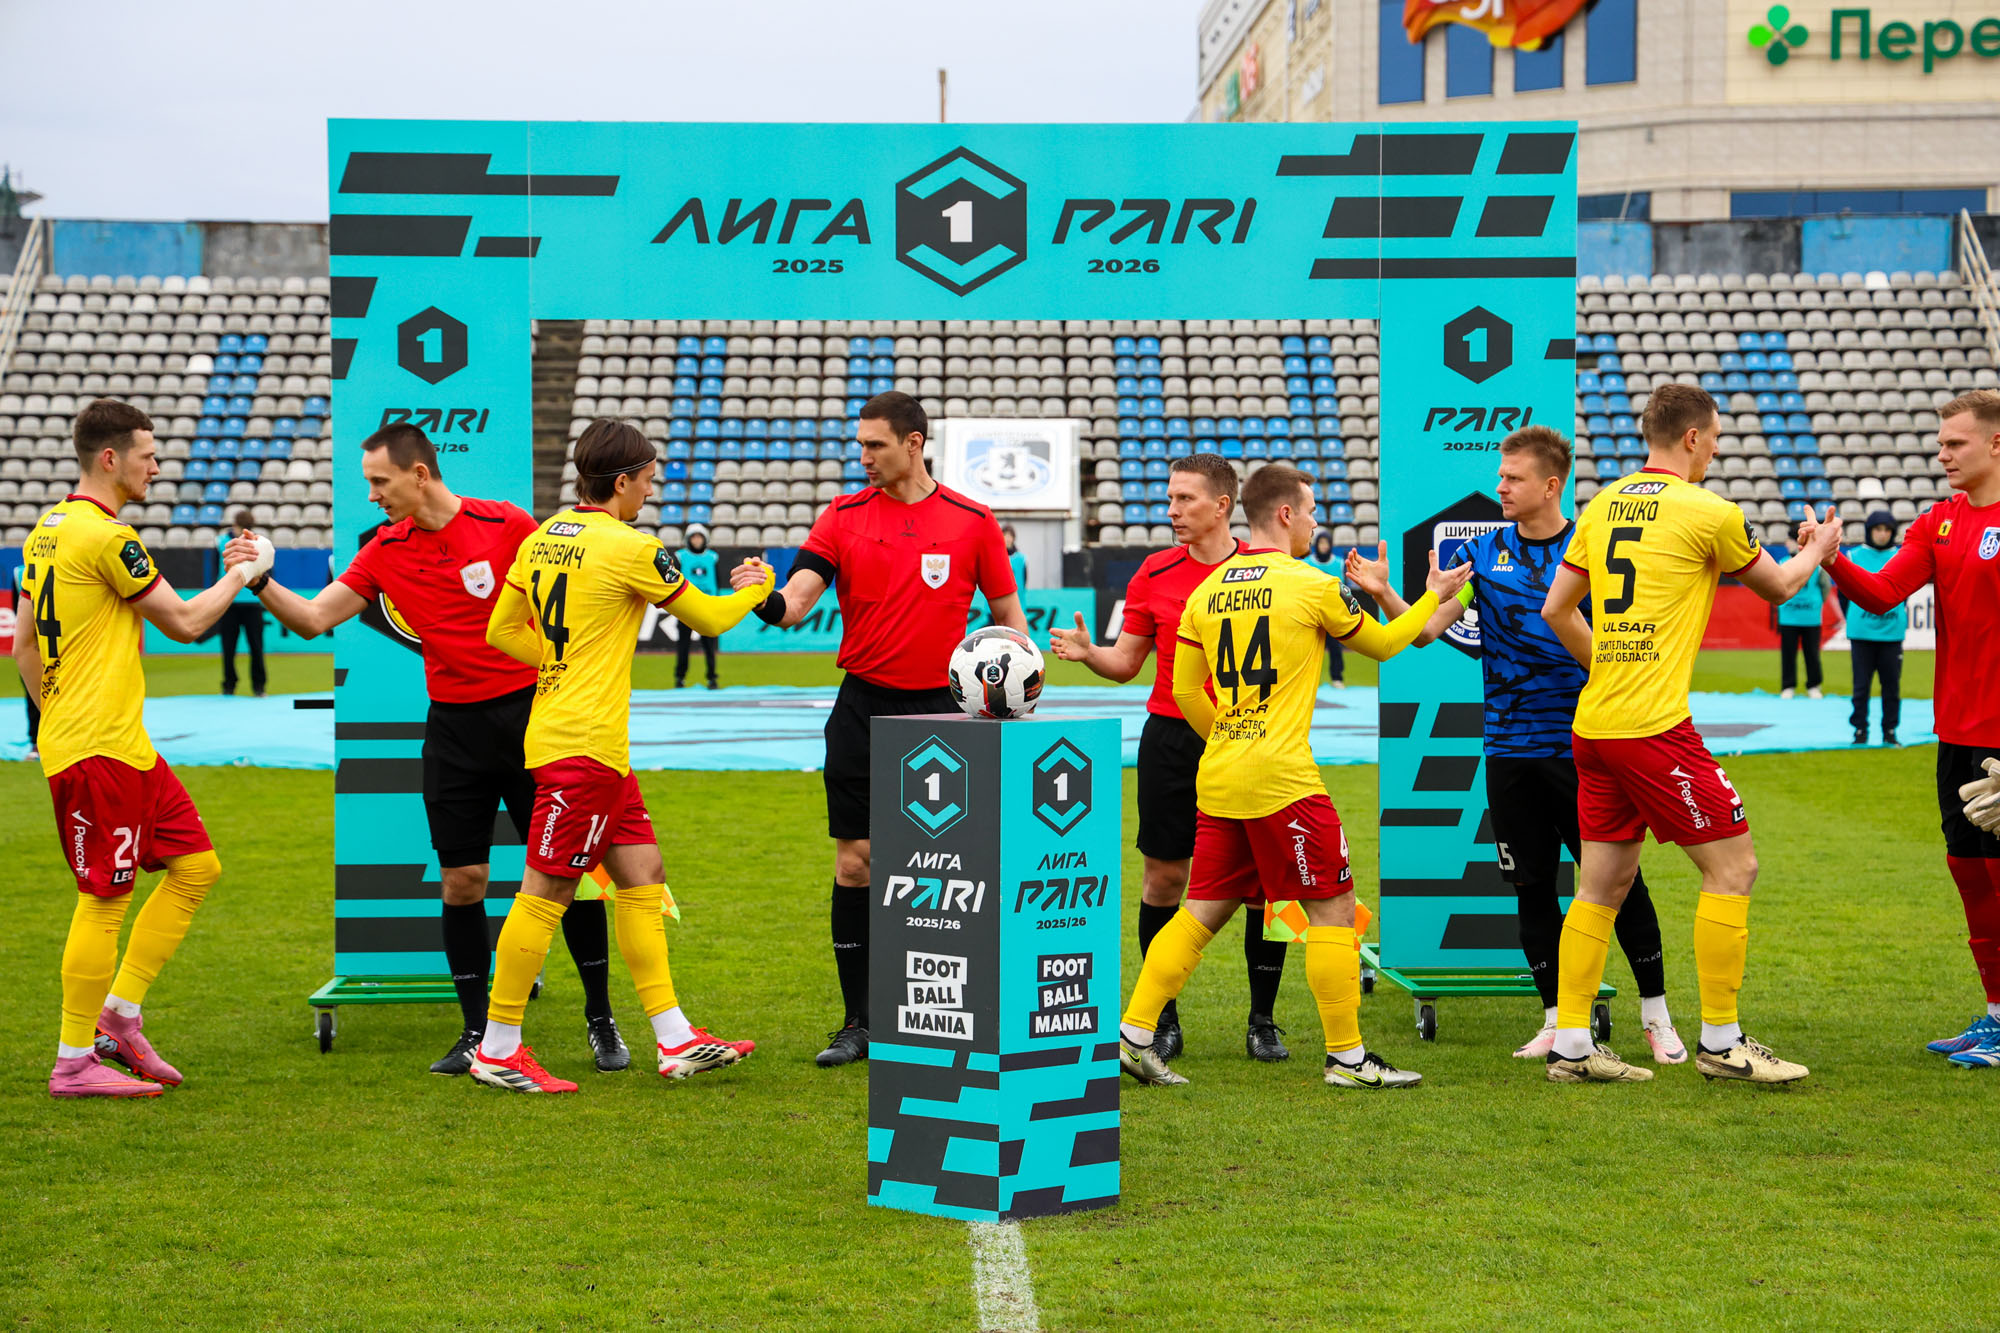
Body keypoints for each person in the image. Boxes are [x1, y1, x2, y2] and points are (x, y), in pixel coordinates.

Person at [223, 423, 627, 1076]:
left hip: (534, 721)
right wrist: (260, 579)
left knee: (568, 872)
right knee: (462, 881)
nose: (372, 495)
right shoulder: (383, 550)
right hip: (454, 732)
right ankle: (476, 1032)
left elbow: (569, 601)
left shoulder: (507, 524)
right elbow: (314, 618)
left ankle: (601, 1018)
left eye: (379, 481)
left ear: (419, 473)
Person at [1117, 463, 1471, 1090]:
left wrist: (1231, 735)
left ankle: (1134, 1035)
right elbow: (1389, 645)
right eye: (1309, 511)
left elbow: (1186, 691)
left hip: (1220, 775)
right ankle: (1348, 1059)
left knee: (1199, 912)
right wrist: (1441, 596)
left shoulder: (1205, 591)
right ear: (1284, 514)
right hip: (1283, 781)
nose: (1313, 522)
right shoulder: (1312, 584)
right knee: (1333, 908)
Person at [1341, 427, 1684, 1063]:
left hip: (1584, 749)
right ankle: (1555, 1020)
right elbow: (1428, 630)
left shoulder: (1592, 547)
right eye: (1500, 476)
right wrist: (1387, 592)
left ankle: (1656, 1016)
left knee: (1619, 883)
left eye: (1513, 478)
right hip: (1508, 752)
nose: (1500, 487)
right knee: (1531, 887)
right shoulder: (1485, 552)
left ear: (1551, 486)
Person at [1539, 382, 1839, 1085]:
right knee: (1734, 868)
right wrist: (1819, 549)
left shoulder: (1601, 505)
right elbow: (1780, 587)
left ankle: (1572, 1046)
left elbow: (1556, 609)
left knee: (1600, 885)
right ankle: (1722, 1042)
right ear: (1694, 437)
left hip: (1595, 723)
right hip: (1652, 727)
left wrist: (1609, 666)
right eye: (1717, 439)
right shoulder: (1709, 511)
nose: (1717, 452)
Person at [472, 417, 773, 1092]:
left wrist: (559, 665)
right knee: (546, 891)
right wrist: (758, 586)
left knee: (643, 875)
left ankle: (675, 1038)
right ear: (621, 482)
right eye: (647, 480)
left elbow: (500, 630)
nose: (650, 491)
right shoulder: (633, 547)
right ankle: (497, 1047)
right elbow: (711, 619)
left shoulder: (541, 536)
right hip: (583, 747)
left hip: (584, 742)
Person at [728, 392, 1025, 1068]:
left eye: (875, 445)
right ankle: (859, 1021)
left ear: (914, 443)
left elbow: (1009, 619)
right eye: (860, 444)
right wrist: (762, 595)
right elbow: (795, 604)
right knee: (856, 860)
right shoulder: (842, 515)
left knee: (951, 871)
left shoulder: (974, 521)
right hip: (862, 708)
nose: (863, 456)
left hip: (945, 713)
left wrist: (1018, 691)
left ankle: (952, 1013)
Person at [18, 399, 274, 1097]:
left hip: (119, 743)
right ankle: (74, 1060)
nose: (157, 467)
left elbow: (24, 645)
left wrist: (53, 717)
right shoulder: (108, 537)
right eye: (148, 455)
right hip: (99, 748)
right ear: (111, 458)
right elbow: (186, 623)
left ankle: (120, 1016)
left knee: (196, 866)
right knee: (105, 899)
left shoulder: (46, 530)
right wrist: (244, 572)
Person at [1049, 454, 1294, 1063]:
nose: (1172, 511)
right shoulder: (1154, 572)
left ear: (1222, 505)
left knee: (1265, 885)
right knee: (1164, 878)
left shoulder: (1267, 569)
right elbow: (1127, 663)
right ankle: (1161, 1020)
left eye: (1185, 499)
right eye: (1169, 499)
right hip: (1172, 739)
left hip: (1251, 741)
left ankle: (1263, 1020)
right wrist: (1090, 653)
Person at [1807, 390, 2000, 1067]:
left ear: (1996, 444)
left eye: (1956, 443)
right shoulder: (1937, 522)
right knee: (1969, 871)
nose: (1942, 454)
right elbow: (1883, 592)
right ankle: (1995, 1016)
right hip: (1956, 732)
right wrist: (1830, 558)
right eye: (1940, 442)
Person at [1843, 510, 1907, 746]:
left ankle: (1890, 731)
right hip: (1861, 634)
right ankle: (1860, 730)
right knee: (1861, 687)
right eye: (1878, 529)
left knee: (1891, 687)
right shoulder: (1853, 555)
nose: (1882, 534)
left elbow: (1906, 592)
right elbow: (1844, 593)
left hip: (1892, 634)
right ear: (1869, 531)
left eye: (1887, 530)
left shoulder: (1901, 557)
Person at [216, 508, 268, 697]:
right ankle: (233, 686)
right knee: (231, 647)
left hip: (247, 601)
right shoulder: (222, 542)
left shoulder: (256, 543)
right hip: (233, 601)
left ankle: (255, 686)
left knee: (254, 647)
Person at [1773, 537, 1831, 700]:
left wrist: (1815, 604)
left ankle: (1813, 686)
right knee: (1788, 654)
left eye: (1790, 541)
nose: (1787, 544)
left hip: (1811, 618)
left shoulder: (1817, 565)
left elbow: (1825, 586)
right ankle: (1788, 686)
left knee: (1812, 654)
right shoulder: (1782, 562)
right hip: (1789, 617)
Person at [673, 524, 720, 689]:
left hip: (707, 606)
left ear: (705, 539)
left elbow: (717, 582)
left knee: (709, 646)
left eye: (699, 537)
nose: (697, 540)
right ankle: (680, 678)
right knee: (683, 645)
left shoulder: (712, 557)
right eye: (693, 537)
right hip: (686, 607)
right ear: (688, 539)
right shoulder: (680, 557)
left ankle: (712, 678)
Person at [1303, 528, 1346, 687]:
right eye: (1321, 542)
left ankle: (1337, 678)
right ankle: (1306, 680)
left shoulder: (1339, 563)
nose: (1324, 546)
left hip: (1332, 614)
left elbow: (1343, 589)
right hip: (1311, 613)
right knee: (1307, 649)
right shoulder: (1307, 563)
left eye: (1326, 543)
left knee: (1335, 647)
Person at [11, 561, 41, 760]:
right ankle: (36, 742)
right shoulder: (20, 573)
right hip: (36, 641)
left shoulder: (20, 572)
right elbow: (19, 610)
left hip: (49, 641)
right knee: (33, 689)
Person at [1003, 523, 1029, 592]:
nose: (1007, 539)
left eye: (1009, 536)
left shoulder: (1020, 558)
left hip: (1017, 593)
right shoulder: (997, 557)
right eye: (1005, 535)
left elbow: (1024, 578)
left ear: (1013, 538)